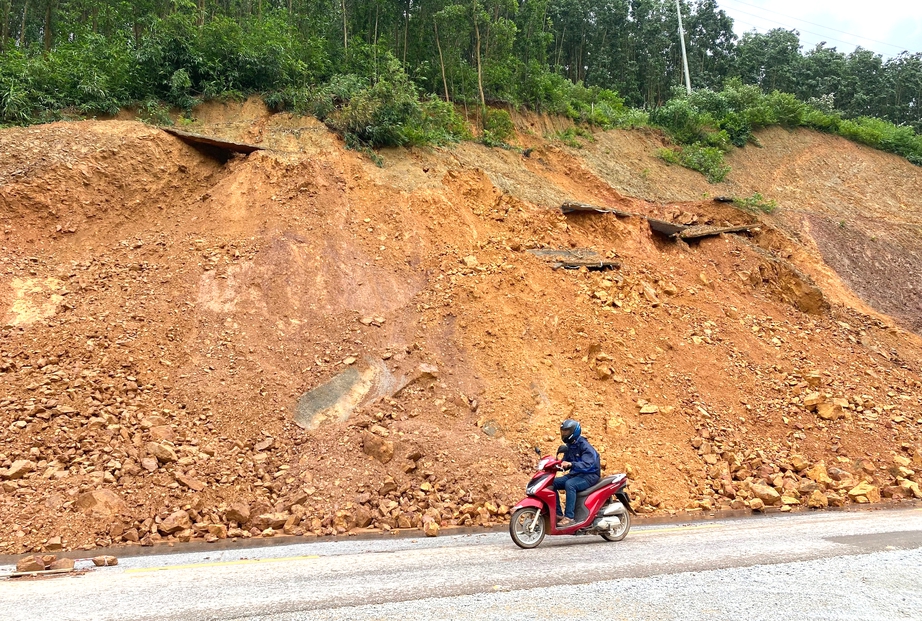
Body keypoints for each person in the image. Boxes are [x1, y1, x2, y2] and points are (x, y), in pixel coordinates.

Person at [553, 419, 601, 527]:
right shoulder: (570, 446)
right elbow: (565, 462)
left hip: (590, 475)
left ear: (574, 432)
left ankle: (569, 517)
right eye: (563, 432)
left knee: (570, 484)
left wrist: (571, 465)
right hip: (576, 474)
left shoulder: (585, 446)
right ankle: (558, 514)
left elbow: (588, 464)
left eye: (567, 432)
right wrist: (555, 466)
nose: (564, 434)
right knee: (552, 483)